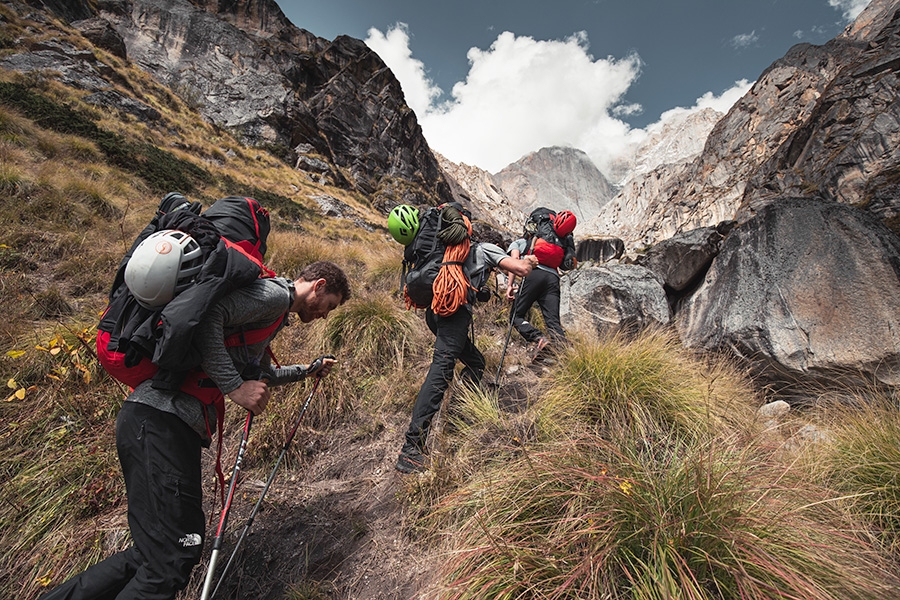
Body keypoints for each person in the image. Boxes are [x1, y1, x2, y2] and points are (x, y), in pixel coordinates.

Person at [40, 260, 351, 600]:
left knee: (151, 554)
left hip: (153, 421)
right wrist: (233, 387)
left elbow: (259, 375)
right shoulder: (274, 297)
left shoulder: (273, 314)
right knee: (173, 556)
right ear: (318, 285)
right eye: (329, 306)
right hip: (162, 422)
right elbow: (208, 320)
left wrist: (308, 370)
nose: (324, 315)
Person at [390, 204, 538, 474]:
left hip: (435, 313)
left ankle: (462, 403)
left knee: (476, 361)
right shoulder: (482, 248)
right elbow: (521, 268)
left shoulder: (441, 249)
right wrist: (531, 259)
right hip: (453, 314)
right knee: (441, 370)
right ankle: (412, 448)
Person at [505, 211, 576, 360]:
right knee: (553, 322)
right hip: (553, 279)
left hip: (534, 274)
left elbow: (515, 261)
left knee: (516, 316)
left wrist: (510, 285)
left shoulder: (523, 242)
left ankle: (539, 338)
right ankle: (566, 359)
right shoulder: (563, 241)